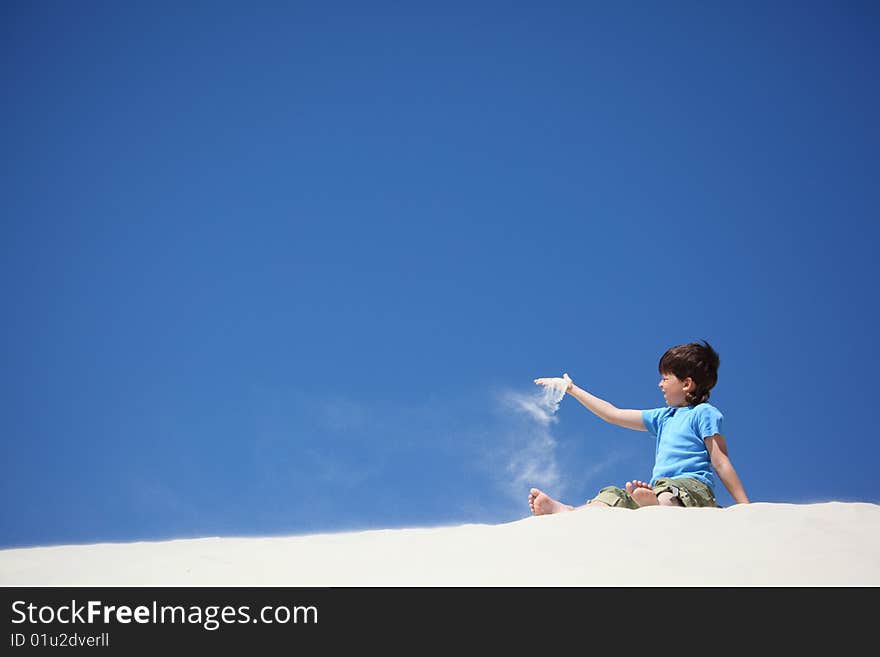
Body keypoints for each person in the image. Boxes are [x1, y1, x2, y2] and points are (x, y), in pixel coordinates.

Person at [528, 340, 749, 514]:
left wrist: (745, 507)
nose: (660, 384)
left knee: (669, 495)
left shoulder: (704, 413)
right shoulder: (663, 417)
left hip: (692, 489)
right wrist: (572, 389)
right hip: (657, 488)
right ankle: (572, 511)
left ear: (686, 384)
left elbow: (720, 461)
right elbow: (613, 414)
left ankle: (656, 506)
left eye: (665, 378)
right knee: (614, 495)